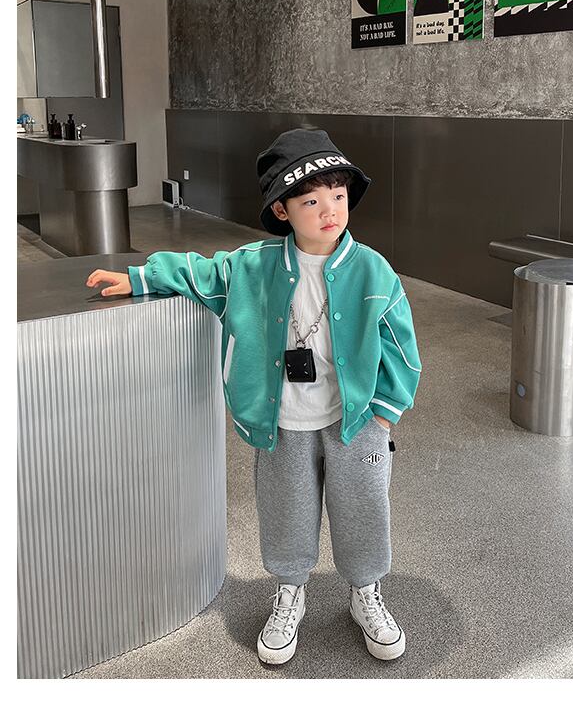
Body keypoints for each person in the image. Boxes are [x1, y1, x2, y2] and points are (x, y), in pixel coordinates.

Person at [86, 128, 422, 666]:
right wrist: (141, 276)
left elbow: (401, 345)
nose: (329, 210)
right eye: (310, 201)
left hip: (356, 422)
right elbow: (199, 273)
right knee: (286, 511)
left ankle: (366, 592)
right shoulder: (252, 266)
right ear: (282, 210)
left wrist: (384, 412)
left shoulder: (371, 269)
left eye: (338, 196)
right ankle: (289, 592)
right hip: (281, 422)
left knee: (363, 509)